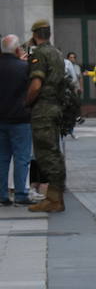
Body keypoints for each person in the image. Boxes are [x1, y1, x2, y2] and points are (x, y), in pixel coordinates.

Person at [24, 20, 67, 213]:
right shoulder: (57, 52)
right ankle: (53, 197)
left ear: (35, 34)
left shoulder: (40, 53)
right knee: (54, 152)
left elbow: (36, 84)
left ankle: (55, 200)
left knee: (46, 155)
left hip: (43, 109)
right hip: (56, 107)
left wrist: (26, 102)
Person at [0, 35, 33, 206]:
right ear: (17, 49)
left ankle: (2, 195)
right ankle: (21, 194)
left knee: (2, 158)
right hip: (20, 118)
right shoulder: (24, 67)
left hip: (1, 119)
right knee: (21, 157)